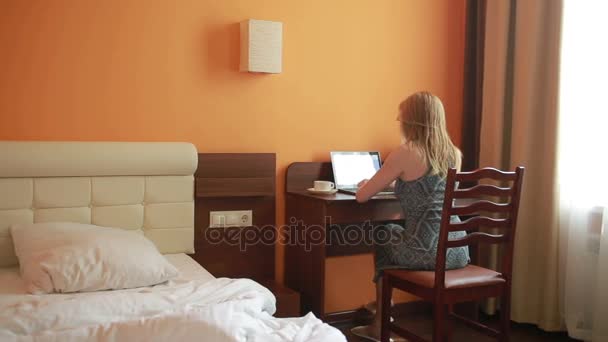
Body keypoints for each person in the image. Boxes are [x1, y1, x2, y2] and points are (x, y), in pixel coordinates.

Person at [351, 91, 469, 341]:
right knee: (391, 234)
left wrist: (370, 184)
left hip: (427, 250)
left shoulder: (405, 152)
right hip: (457, 250)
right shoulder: (454, 153)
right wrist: (396, 184)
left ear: (412, 121)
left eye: (401, 116)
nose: (399, 120)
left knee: (384, 234)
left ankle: (382, 318)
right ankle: (382, 309)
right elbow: (431, 190)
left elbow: (362, 197)